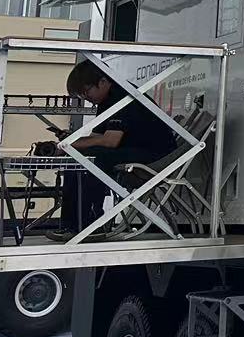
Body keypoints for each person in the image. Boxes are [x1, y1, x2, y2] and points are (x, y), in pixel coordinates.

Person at [50, 60, 179, 233]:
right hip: (137, 151)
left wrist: (68, 145)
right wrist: (72, 141)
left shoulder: (123, 97)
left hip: (155, 155)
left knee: (92, 160)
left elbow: (110, 141)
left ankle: (86, 224)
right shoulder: (106, 99)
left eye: (86, 92)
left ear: (103, 81)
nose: (86, 98)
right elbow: (97, 137)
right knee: (81, 158)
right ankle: (72, 224)